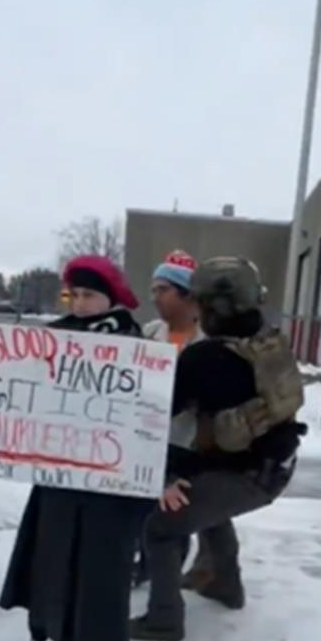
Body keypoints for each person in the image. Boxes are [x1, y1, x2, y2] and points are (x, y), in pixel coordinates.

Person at [0, 256, 153, 641]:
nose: (82, 303)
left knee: (106, 563)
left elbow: (152, 406)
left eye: (90, 294)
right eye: (75, 294)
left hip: (112, 476)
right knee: (47, 555)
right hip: (58, 473)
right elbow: (21, 385)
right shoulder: (54, 337)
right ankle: (37, 639)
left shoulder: (135, 342)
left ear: (110, 297)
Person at [131, 257, 305, 641]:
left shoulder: (205, 357)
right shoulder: (267, 340)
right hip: (275, 463)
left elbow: (154, 412)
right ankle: (225, 583)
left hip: (246, 473)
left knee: (159, 528)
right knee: (202, 494)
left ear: (212, 308)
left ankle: (163, 619)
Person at [136, 250, 207, 587]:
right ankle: (145, 566)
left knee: (173, 513)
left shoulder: (207, 343)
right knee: (144, 509)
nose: (155, 298)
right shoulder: (149, 334)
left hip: (188, 444)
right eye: (153, 289)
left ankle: (169, 579)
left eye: (162, 289)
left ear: (186, 295)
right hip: (148, 437)